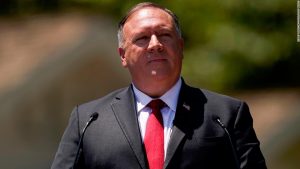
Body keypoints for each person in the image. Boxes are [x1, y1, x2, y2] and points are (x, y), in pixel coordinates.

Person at [51, 2, 267, 169]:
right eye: (142, 38)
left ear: (180, 47)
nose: (155, 44)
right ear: (123, 55)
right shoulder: (89, 120)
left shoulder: (226, 114)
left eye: (164, 35)